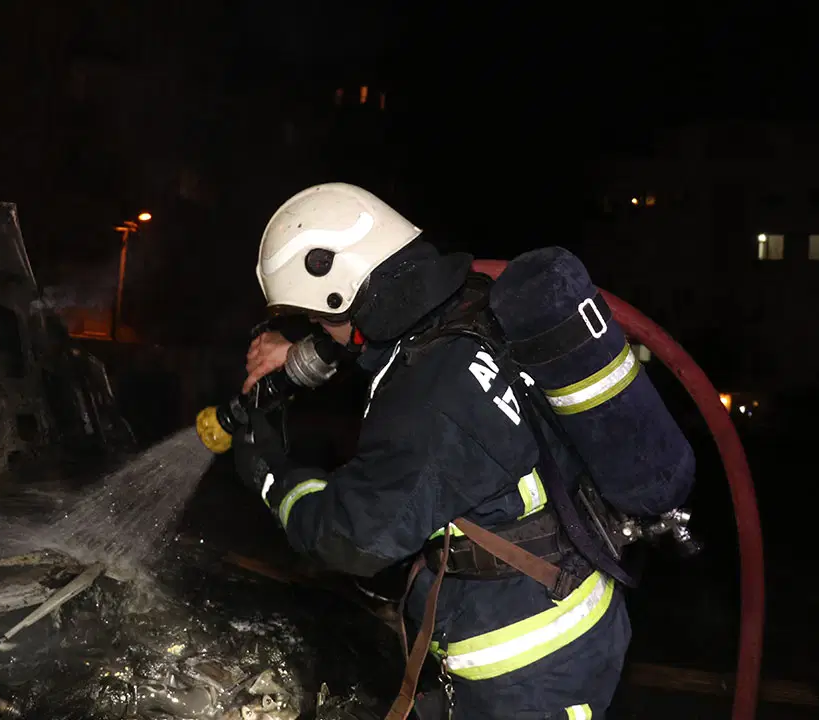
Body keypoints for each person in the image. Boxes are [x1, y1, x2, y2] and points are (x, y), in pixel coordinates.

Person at [232, 182, 633, 719]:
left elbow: (349, 538)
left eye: (319, 316)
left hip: (526, 663)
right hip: (561, 603)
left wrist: (271, 473)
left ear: (350, 291)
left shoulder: (429, 409)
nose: (319, 329)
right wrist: (302, 354)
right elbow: (388, 335)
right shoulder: (469, 302)